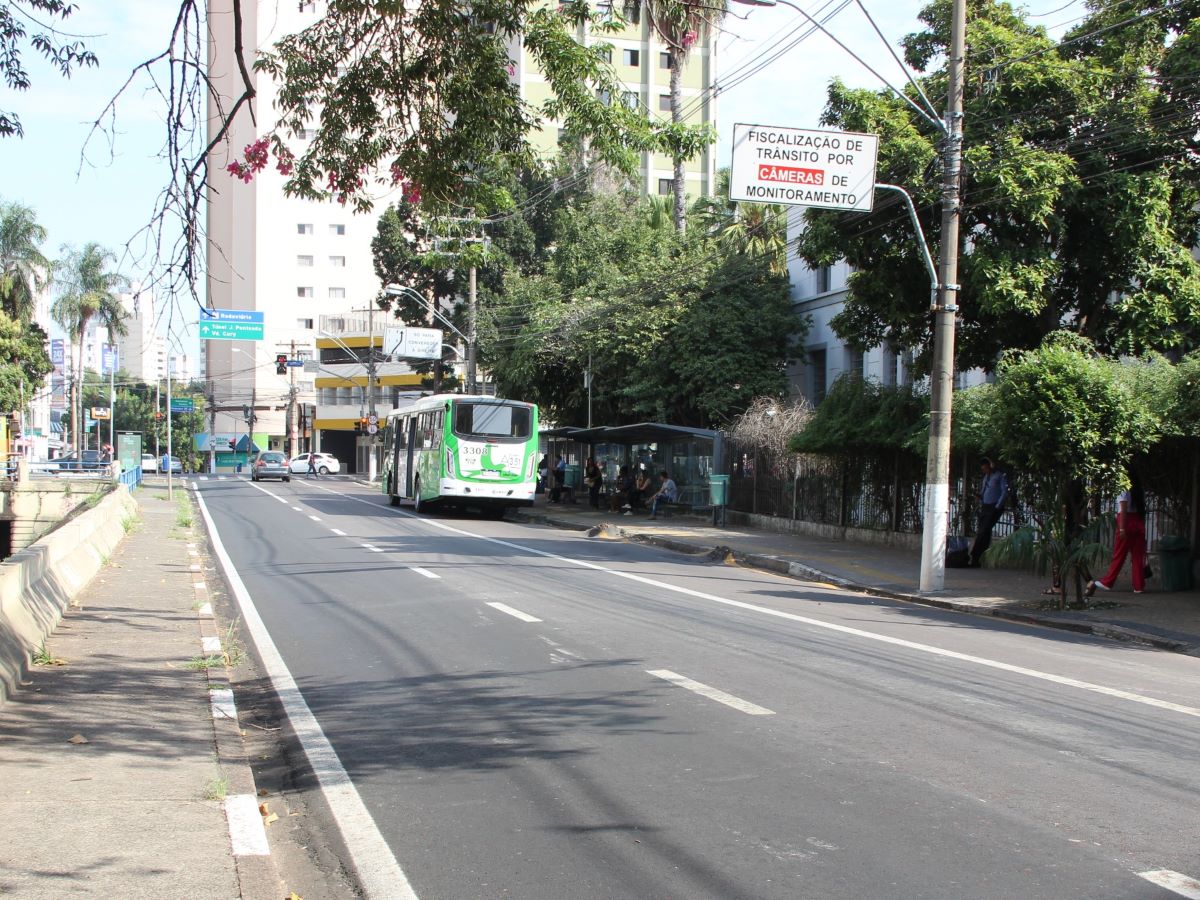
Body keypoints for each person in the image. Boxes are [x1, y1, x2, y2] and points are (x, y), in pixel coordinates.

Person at [1088, 473, 1148, 596]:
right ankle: (1139, 585)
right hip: (1138, 521)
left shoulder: (1123, 488)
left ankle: (1108, 582)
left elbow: (1123, 508)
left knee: (1119, 554)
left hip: (1126, 521)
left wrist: (1121, 529)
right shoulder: (1139, 489)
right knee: (1137, 556)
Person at [969, 458, 1008, 568]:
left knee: (983, 531)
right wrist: (979, 498)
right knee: (984, 532)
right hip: (985, 506)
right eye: (983, 469)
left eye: (986, 468)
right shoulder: (986, 477)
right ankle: (981, 557)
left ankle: (975, 554)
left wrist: (997, 506)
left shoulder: (999, 476)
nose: (984, 471)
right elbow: (984, 492)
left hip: (994, 506)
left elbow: (1004, 492)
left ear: (990, 466)